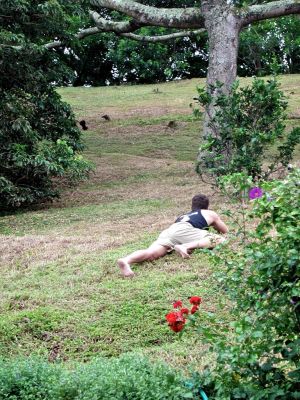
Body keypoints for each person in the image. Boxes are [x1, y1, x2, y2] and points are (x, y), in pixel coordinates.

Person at [117, 194, 228, 277]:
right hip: (185, 230)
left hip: (169, 232)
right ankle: (185, 246)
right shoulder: (208, 213)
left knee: (150, 253)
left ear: (192, 206)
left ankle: (126, 260)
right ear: (207, 206)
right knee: (219, 239)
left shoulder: (184, 215)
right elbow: (225, 231)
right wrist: (213, 224)